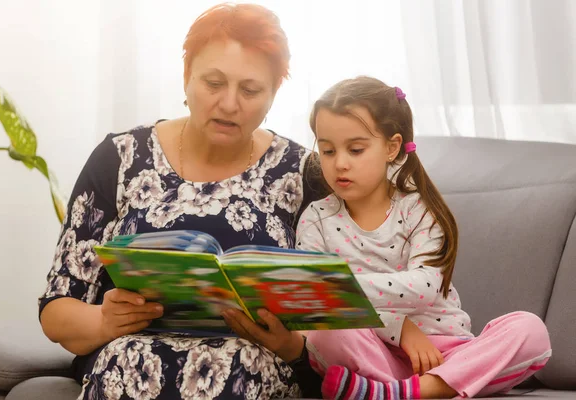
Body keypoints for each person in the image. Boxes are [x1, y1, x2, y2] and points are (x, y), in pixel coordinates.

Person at [38, 3, 327, 399]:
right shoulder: (120, 158)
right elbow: (57, 311)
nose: (229, 103)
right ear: (186, 76)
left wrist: (290, 345)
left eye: (250, 89)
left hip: (253, 367)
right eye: (213, 82)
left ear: (274, 92)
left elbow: (334, 320)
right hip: (128, 358)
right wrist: (106, 321)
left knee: (239, 367)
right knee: (129, 357)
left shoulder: (303, 173)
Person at [223, 76, 552, 400]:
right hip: (373, 355)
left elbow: (424, 286)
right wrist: (397, 328)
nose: (340, 163)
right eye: (327, 150)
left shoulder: (416, 208)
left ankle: (415, 391)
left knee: (530, 331)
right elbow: (317, 303)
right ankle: (402, 389)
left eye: (355, 149)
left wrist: (339, 287)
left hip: (447, 352)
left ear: (391, 147)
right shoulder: (316, 218)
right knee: (328, 333)